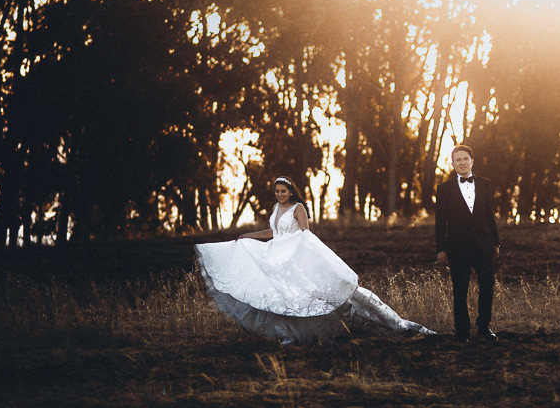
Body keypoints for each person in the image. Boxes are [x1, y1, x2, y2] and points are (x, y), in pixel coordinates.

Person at [194, 176, 431, 345]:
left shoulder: (298, 208)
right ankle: (289, 334)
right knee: (281, 296)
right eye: (277, 191)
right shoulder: (276, 208)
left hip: (294, 255)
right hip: (277, 257)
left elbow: (304, 234)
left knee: (321, 293)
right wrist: (249, 236)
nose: (280, 195)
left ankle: (391, 323)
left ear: (290, 192)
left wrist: (295, 252)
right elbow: (273, 233)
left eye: (283, 191)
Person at [435, 144, 500, 340]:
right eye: (458, 160)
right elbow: (440, 221)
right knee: (460, 288)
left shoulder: (485, 184)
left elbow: (489, 215)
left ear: (472, 161)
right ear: (453, 164)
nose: (462, 163)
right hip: (457, 246)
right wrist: (441, 249)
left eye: (465, 159)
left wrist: (496, 242)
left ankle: (484, 327)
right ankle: (462, 331)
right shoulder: (444, 189)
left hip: (483, 244)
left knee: (487, 285)